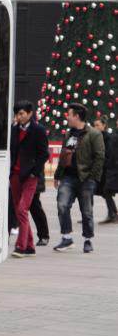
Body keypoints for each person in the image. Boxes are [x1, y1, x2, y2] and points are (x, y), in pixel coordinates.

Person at [53, 103, 105, 254]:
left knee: (86, 211)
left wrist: (92, 178)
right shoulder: (68, 134)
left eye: (69, 114)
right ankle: (66, 237)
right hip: (68, 178)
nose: (67, 117)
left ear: (76, 116)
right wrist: (57, 175)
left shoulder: (94, 134)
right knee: (62, 205)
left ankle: (87, 240)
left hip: (86, 179)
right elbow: (64, 156)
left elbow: (100, 157)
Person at [9, 101, 49, 258]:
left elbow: (44, 154)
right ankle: (30, 247)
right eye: (17, 114)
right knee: (20, 212)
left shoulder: (38, 130)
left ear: (30, 113)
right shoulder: (13, 129)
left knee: (22, 209)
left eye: (22, 113)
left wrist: (34, 172)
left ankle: (21, 246)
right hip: (15, 175)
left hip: (30, 177)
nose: (19, 117)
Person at [93, 117, 118, 223]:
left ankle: (113, 213)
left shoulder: (109, 137)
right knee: (106, 191)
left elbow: (109, 154)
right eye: (94, 125)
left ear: (104, 126)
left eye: (98, 125)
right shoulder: (97, 137)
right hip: (108, 169)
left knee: (107, 191)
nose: (95, 127)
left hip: (112, 169)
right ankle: (112, 213)